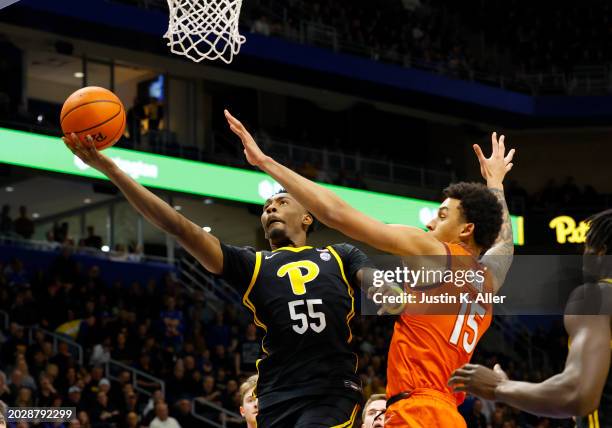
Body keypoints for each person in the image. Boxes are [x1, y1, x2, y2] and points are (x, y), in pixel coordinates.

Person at [225, 109, 515, 428]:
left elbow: (335, 213)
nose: (431, 222)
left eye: (443, 216)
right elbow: (504, 244)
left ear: (466, 230)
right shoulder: (488, 280)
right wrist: (495, 183)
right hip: (450, 416)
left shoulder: (436, 252)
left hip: (414, 411)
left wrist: (266, 163)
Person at [64, 132, 375, 427]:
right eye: (266, 208)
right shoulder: (251, 264)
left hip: (330, 391)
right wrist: (111, 169)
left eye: (281, 203)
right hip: (277, 394)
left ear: (308, 217)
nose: (270, 209)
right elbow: (179, 227)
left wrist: (412, 283)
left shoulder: (340, 254)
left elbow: (388, 294)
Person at [448, 208, 612, 427]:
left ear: (600, 253)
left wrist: (498, 387)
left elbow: (577, 393)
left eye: (586, 250)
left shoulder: (596, 295)